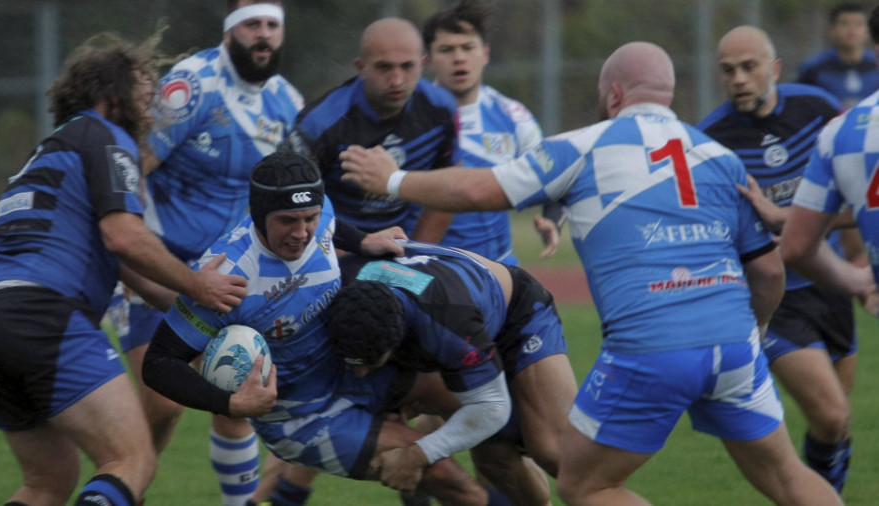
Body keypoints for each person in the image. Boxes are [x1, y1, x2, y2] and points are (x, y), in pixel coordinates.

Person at [337, 41, 845, 506]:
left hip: (653, 347)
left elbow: (477, 190)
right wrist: (752, 335)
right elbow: (769, 272)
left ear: (614, 94)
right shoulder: (719, 156)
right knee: (785, 475)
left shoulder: (583, 147)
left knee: (585, 486)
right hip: (735, 345)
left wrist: (395, 179)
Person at [142, 149, 507, 506]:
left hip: (353, 369)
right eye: (287, 220)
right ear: (258, 214)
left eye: (309, 218)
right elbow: (158, 363)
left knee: (482, 417)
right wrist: (231, 404)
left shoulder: (318, 215)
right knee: (444, 476)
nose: (302, 232)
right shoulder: (227, 277)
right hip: (301, 414)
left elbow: (331, 223)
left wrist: (364, 239)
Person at [0, 32, 247, 506]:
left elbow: (122, 262)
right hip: (45, 315)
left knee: (48, 483)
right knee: (133, 461)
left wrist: (197, 310)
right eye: (145, 95)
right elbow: (125, 236)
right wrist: (199, 284)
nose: (153, 109)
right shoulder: (106, 136)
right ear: (111, 96)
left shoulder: (48, 153)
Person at [109, 1, 303, 504]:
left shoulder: (286, 101)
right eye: (252, 24)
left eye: (272, 26)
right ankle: (124, 488)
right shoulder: (191, 85)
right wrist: (136, 255)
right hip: (161, 265)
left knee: (236, 390)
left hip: (232, 276)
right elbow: (134, 169)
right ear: (230, 29)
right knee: (162, 405)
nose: (263, 35)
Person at [697, 25, 857, 492]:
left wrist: (787, 218)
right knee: (832, 415)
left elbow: (858, 195)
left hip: (830, 287)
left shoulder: (820, 110)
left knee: (835, 427)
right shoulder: (710, 140)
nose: (739, 79)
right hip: (773, 297)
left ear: (775, 69)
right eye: (728, 71)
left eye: (749, 67)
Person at [325, 241, 578, 506]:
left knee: (554, 452)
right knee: (495, 458)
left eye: (370, 363)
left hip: (516, 314)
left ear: (397, 341)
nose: (360, 373)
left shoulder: (446, 325)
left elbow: (491, 407)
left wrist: (418, 454)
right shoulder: (335, 289)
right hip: (441, 312)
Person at [781, 0, 879, 416]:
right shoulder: (817, 74)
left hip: (849, 169)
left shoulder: (843, 131)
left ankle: (864, 276)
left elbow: (797, 246)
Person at [283, 17, 460, 243]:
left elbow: (445, 190)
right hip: (332, 249)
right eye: (384, 67)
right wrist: (352, 252)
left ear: (422, 64)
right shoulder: (320, 123)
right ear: (361, 67)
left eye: (407, 66)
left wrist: (417, 255)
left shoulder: (441, 109)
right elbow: (286, 202)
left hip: (401, 247)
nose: (396, 80)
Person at [423, 0, 553, 264]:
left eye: (467, 48)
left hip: (499, 268)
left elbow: (553, 175)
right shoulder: (413, 116)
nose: (459, 57)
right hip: (432, 267)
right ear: (428, 60)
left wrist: (551, 217)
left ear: (485, 53)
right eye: (447, 50)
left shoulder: (513, 116)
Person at [797, 2, 879, 110]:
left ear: (868, 31)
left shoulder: (875, 65)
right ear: (832, 30)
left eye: (858, 24)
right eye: (844, 23)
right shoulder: (813, 69)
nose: (852, 30)